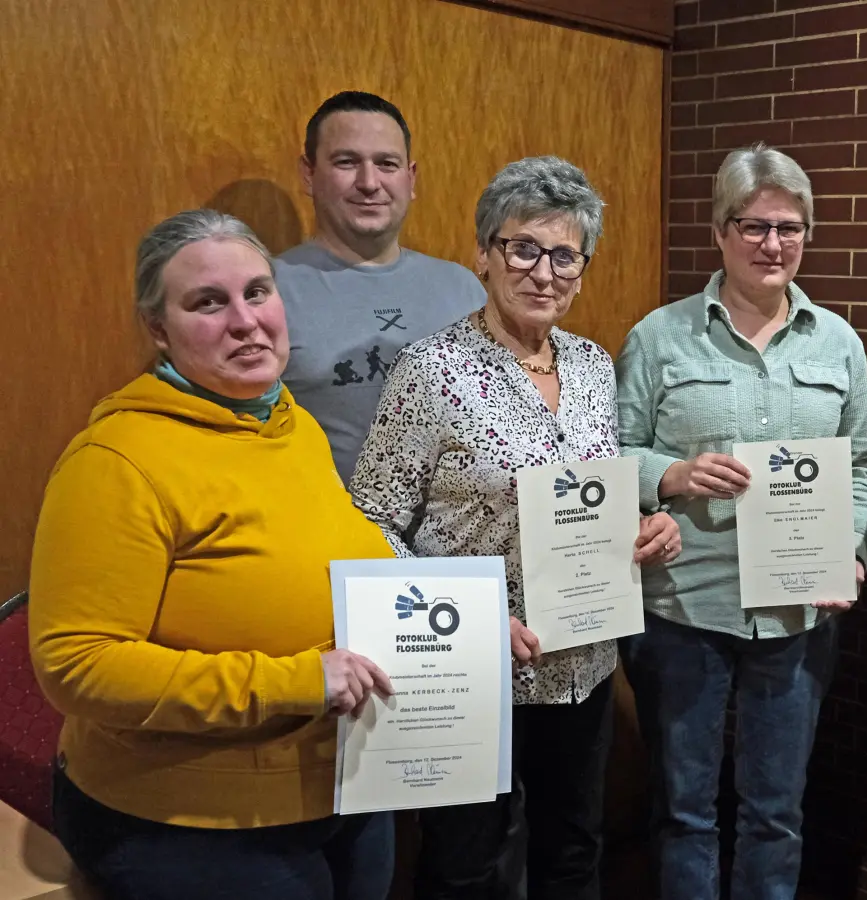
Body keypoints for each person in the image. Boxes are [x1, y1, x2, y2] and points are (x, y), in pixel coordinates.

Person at [29, 210, 396, 900]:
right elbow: (76, 665)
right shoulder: (116, 462)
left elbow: (343, 560)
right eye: (208, 302)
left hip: (342, 782)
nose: (246, 321)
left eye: (258, 292)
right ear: (158, 329)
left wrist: (455, 633)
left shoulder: (291, 424)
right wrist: (293, 681)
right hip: (186, 818)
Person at [348, 156, 679, 900]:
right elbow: (367, 522)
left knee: (574, 849)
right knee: (470, 865)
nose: (543, 271)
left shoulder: (594, 366)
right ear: (484, 255)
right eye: (522, 247)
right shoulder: (431, 370)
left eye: (565, 255)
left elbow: (598, 493)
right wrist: (470, 618)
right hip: (472, 668)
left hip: (583, 660)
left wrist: (648, 524)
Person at [614, 143, 867, 900]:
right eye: (755, 226)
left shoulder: (838, 343)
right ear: (721, 231)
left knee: (776, 812)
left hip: (797, 616)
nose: (773, 244)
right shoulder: (660, 337)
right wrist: (668, 474)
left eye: (790, 228)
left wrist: (852, 549)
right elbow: (609, 454)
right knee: (684, 811)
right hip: (683, 610)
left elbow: (860, 462)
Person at [276, 90, 485, 483]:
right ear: (309, 173)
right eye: (346, 162)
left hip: (457, 539)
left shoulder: (464, 288)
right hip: (334, 538)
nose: (369, 182)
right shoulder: (265, 291)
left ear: (411, 178)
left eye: (386, 163)